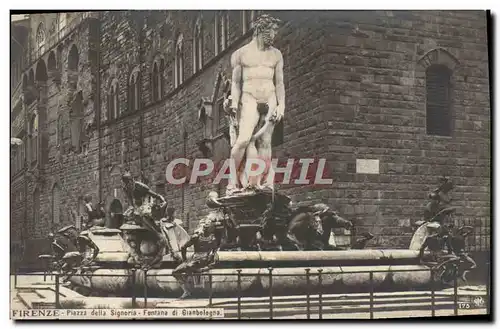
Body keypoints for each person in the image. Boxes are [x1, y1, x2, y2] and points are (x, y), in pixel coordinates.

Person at [227, 14, 285, 193]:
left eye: (275, 32)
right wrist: (234, 103)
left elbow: (279, 83)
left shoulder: (276, 54)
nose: (273, 36)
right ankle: (232, 183)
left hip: (270, 97)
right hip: (249, 97)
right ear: (260, 30)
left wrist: (281, 105)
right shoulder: (241, 54)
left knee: (266, 142)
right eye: (271, 32)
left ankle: (265, 184)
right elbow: (236, 83)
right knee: (243, 140)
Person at [172, 214, 224, 299]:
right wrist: (184, 260)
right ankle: (186, 291)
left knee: (188, 267)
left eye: (208, 226)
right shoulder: (197, 237)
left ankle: (190, 282)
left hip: (202, 260)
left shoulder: (212, 238)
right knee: (175, 272)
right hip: (196, 259)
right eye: (205, 226)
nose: (206, 228)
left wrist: (208, 264)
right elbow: (183, 247)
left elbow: (215, 252)